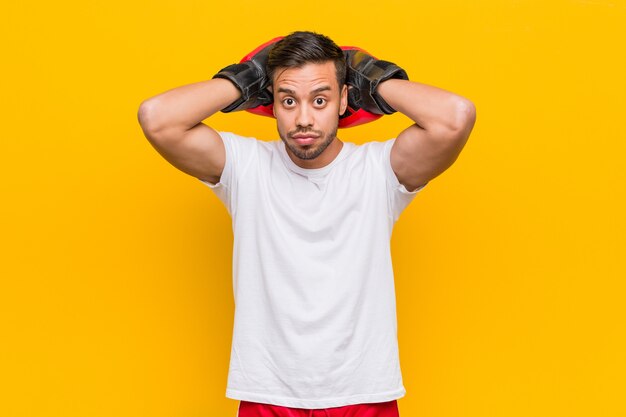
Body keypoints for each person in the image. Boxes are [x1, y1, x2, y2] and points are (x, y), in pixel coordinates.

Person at [137, 31, 476, 417]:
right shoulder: (246, 167)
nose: (303, 119)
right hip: (269, 392)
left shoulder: (378, 171)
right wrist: (246, 77)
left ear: (345, 100)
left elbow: (456, 117)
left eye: (320, 100)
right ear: (270, 104)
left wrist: (373, 77)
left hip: (363, 391)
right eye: (288, 100)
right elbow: (157, 118)